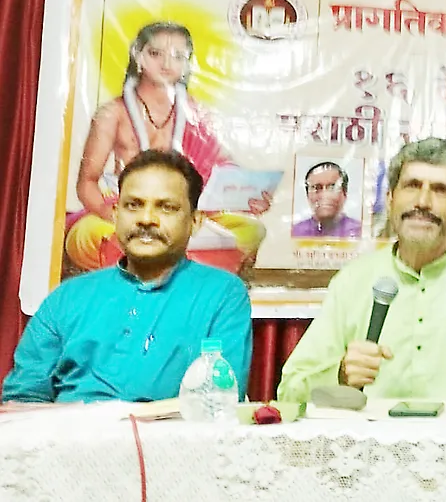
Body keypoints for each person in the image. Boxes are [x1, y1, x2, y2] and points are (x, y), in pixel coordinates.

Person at [277, 138, 446, 403]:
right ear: (390, 200)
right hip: (372, 434)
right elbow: (290, 391)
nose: (423, 202)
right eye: (412, 186)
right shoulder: (353, 280)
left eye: (440, 190)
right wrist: (340, 376)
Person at [3, 151, 252, 403]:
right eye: (133, 205)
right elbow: (23, 397)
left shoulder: (222, 295)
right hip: (66, 427)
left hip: (169, 428)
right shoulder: (67, 298)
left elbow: (219, 401)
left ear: (195, 222)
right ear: (115, 213)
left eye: (166, 207)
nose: (146, 219)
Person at [65, 21, 270, 274]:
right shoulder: (113, 113)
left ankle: (178, 271)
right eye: (155, 53)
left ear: (187, 64)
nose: (166, 63)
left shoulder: (197, 114)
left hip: (182, 210)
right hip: (130, 207)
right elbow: (87, 182)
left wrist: (247, 197)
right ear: (138, 56)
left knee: (252, 230)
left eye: (177, 56)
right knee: (87, 236)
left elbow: (224, 169)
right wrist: (112, 214)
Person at [291, 161, 362, 238]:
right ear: (308, 195)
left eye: (333, 188)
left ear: (344, 193)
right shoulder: (295, 233)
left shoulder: (360, 232)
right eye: (317, 188)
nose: (325, 195)